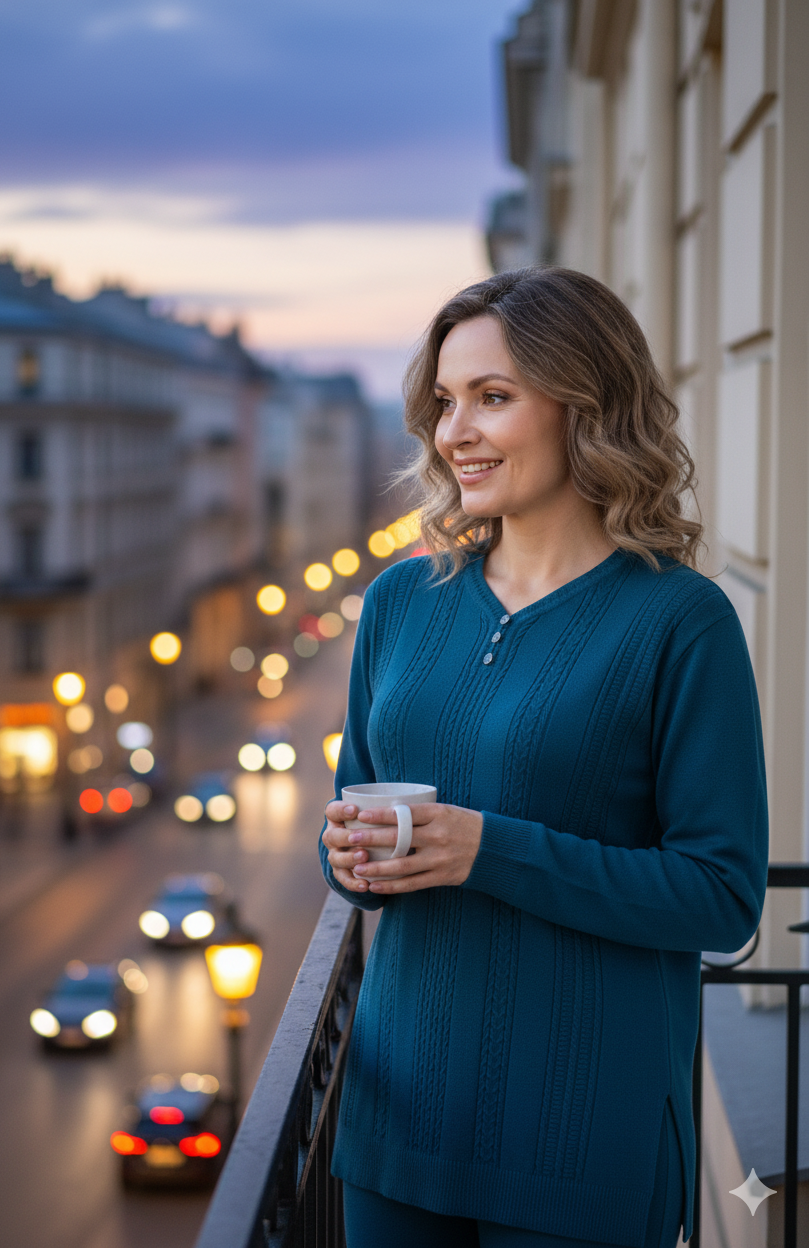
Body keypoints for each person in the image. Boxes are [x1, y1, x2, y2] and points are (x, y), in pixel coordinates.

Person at [320, 267, 768, 1248]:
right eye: (444, 402)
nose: (453, 433)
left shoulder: (679, 622)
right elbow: (349, 819)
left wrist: (486, 849)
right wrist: (347, 856)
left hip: (584, 1146)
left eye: (492, 398)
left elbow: (721, 895)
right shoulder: (399, 605)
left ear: (586, 406)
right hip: (399, 1122)